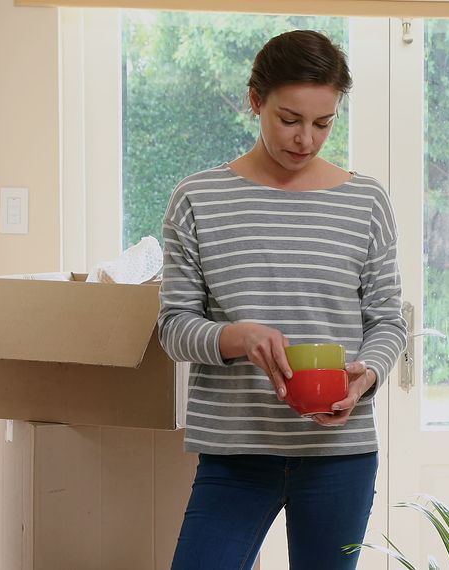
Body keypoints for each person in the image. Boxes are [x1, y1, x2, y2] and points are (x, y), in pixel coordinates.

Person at [158, 29, 406, 570]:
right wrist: (235, 337)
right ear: (255, 101)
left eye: (324, 123)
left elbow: (388, 321)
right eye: (289, 120)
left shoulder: (366, 201)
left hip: (339, 457)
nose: (306, 140)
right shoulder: (197, 198)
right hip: (234, 453)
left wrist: (367, 374)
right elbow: (173, 327)